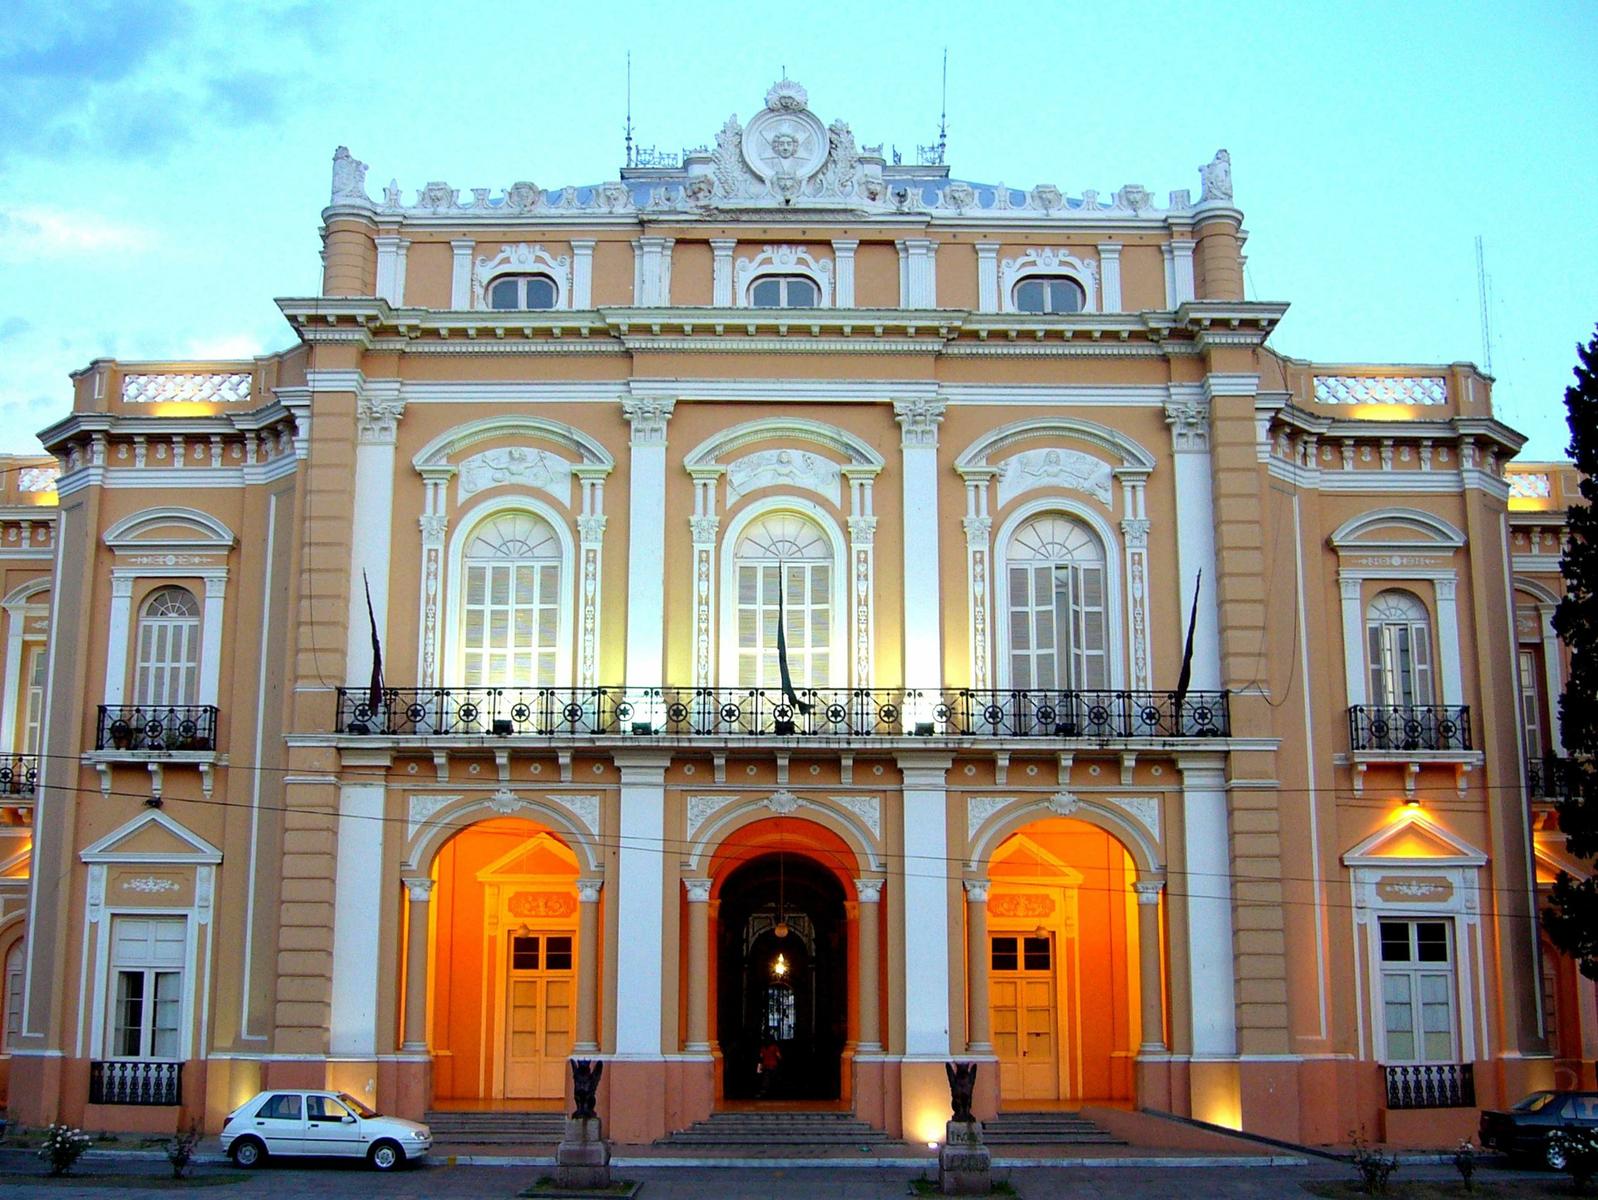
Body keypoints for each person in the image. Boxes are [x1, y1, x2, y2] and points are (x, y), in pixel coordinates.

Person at [756, 1033, 782, 1097]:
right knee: (774, 1079)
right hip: (773, 1066)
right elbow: (779, 1056)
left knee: (766, 1079)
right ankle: (774, 1092)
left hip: (766, 1066)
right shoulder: (775, 1047)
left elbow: (761, 1057)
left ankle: (765, 1092)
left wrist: (759, 1067)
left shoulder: (763, 1048)